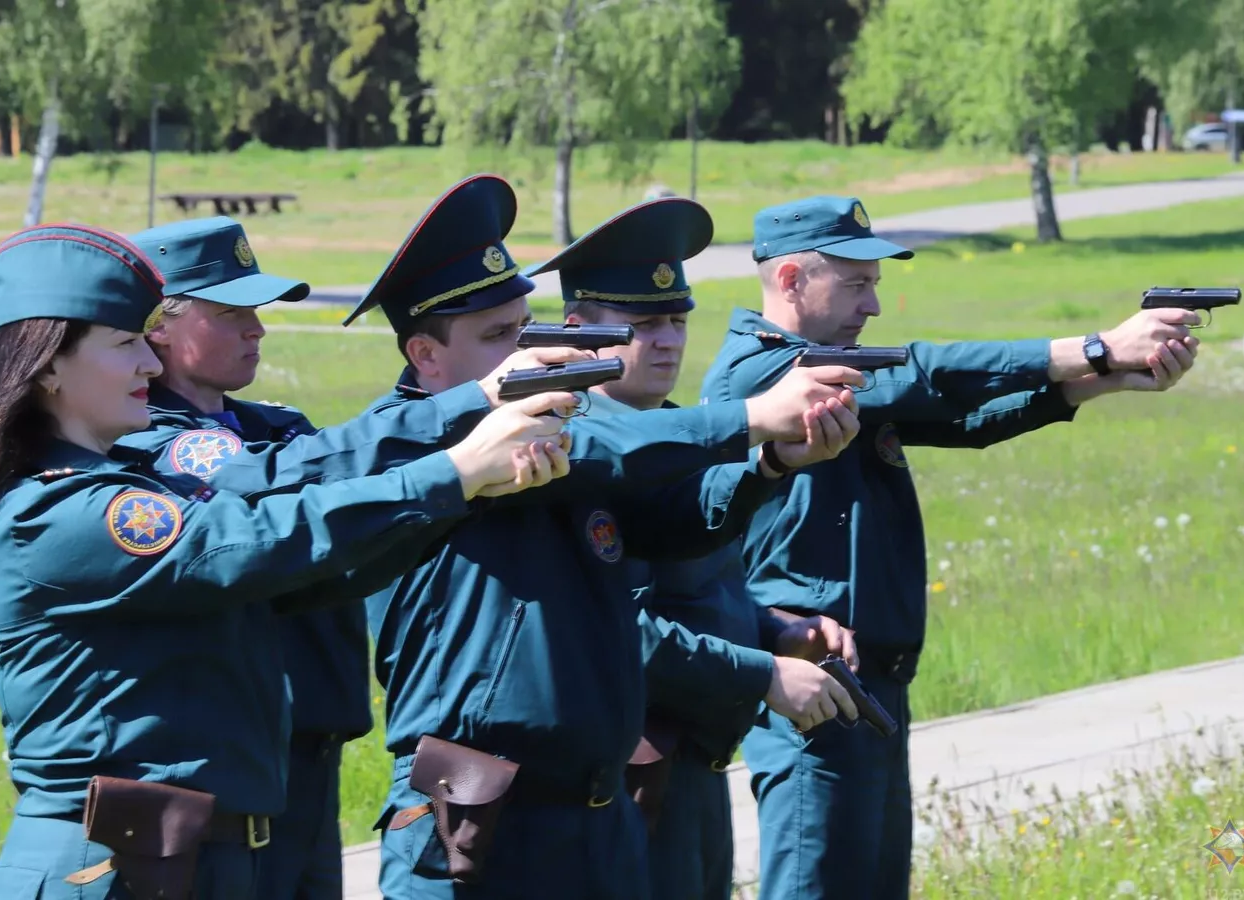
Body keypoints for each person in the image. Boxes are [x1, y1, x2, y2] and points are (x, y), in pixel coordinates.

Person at [0, 222, 578, 900]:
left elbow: (307, 574)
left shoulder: (120, 490)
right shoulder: (55, 512)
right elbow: (261, 538)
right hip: (102, 870)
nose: (150, 366)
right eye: (127, 344)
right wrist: (452, 472)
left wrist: (469, 491)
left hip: (171, 861)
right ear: (46, 366)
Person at [346, 174, 862, 900]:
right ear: (426, 356)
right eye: (499, 337)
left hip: (588, 810)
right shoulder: (413, 446)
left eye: (528, 331)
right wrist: (754, 421)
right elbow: (616, 452)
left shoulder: (541, 433)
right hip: (472, 815)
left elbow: (663, 516)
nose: (525, 354)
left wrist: (773, 459)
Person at [698, 194, 1202, 900]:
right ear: (789, 280)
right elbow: (923, 371)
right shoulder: (760, 377)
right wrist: (1092, 347)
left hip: (873, 690)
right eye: (855, 283)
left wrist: (1101, 382)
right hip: (815, 690)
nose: (872, 305)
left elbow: (964, 418)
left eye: (874, 285)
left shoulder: (839, 375)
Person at [525, 195, 863, 900]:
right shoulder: (567, 449)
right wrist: (757, 672)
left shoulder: (684, 434)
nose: (668, 340)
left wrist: (775, 627)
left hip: (693, 760)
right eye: (643, 323)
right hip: (624, 768)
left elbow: (693, 584)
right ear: (578, 328)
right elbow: (617, 625)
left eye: (677, 319)